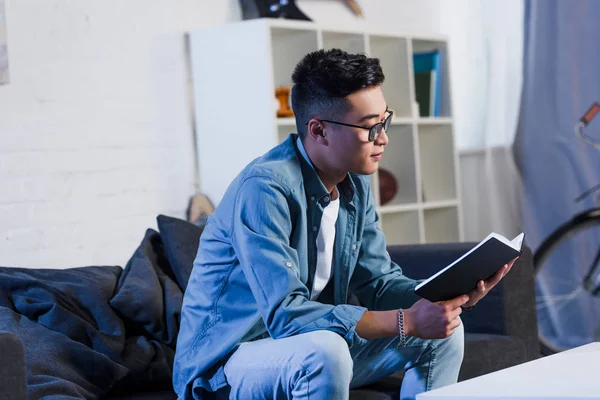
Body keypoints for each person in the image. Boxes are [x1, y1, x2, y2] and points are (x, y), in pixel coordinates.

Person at [173, 49, 517, 400]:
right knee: (326, 352)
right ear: (319, 130)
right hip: (228, 361)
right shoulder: (265, 189)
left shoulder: (355, 182)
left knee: (445, 333)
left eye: (385, 122)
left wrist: (450, 298)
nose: (383, 138)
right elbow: (287, 315)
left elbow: (378, 283)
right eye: (370, 127)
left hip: (304, 345)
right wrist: (406, 321)